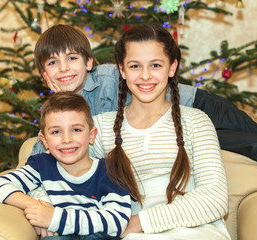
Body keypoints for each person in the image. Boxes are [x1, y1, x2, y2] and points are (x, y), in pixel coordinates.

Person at [31, 24, 257, 193]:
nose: (65, 69)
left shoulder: (110, 78)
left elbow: (149, 70)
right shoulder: (56, 115)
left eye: (71, 58)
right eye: (53, 63)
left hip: (197, 104)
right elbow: (41, 155)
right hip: (177, 125)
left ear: (88, 62)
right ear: (44, 75)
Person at [89, 23, 230, 239]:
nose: (145, 76)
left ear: (172, 68)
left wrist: (139, 222)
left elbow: (215, 200)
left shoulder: (195, 122)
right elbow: (63, 180)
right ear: (122, 70)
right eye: (135, 66)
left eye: (155, 65)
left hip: (196, 234)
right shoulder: (99, 129)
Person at [0, 92, 131, 239]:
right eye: (56, 132)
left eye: (76, 130)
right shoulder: (41, 165)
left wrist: (55, 219)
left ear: (91, 136)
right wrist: (38, 209)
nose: (66, 139)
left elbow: (117, 221)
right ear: (44, 140)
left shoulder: (109, 169)